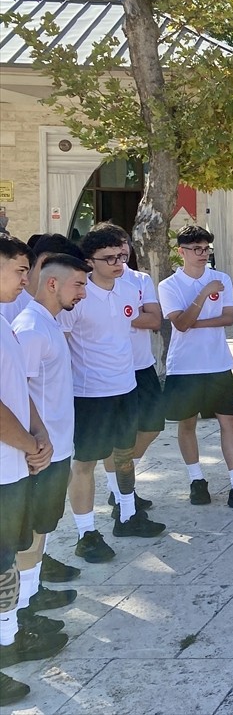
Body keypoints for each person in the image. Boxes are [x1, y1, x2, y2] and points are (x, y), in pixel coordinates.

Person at [59, 226, 165, 564]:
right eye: (109, 258)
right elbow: (61, 346)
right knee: (85, 464)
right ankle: (86, 534)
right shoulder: (76, 297)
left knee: (124, 455)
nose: (119, 262)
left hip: (126, 386)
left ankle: (128, 515)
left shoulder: (129, 290)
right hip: (90, 393)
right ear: (90, 261)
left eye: (122, 256)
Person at [159, 226, 233, 509]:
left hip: (217, 363)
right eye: (197, 249)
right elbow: (180, 324)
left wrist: (192, 321)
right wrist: (203, 295)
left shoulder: (220, 278)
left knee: (230, 422)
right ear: (181, 252)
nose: (203, 254)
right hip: (184, 367)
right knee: (187, 424)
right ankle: (196, 480)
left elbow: (226, 319)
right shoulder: (169, 286)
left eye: (206, 249)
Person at [10, 254, 91, 642]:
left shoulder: (48, 323)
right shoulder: (30, 328)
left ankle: (32, 592)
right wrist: (33, 443)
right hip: (38, 455)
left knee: (42, 530)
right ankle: (22, 610)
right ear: (54, 284)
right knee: (29, 536)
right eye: (79, 284)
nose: (85, 292)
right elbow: (13, 393)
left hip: (54, 448)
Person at [0, 235, 65, 686]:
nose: (28, 280)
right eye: (20, 270)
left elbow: (17, 391)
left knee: (7, 557)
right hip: (5, 465)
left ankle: (11, 636)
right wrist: (28, 443)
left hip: (14, 463)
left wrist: (37, 432)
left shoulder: (3, 321)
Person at [116, 238, 163, 517]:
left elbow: (155, 320)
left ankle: (123, 474)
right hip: (112, 370)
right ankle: (121, 490)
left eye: (125, 246)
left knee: (154, 424)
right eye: (114, 248)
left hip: (142, 365)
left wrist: (119, 314)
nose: (122, 252)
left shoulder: (140, 279)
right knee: (119, 433)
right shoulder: (89, 280)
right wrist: (136, 314)